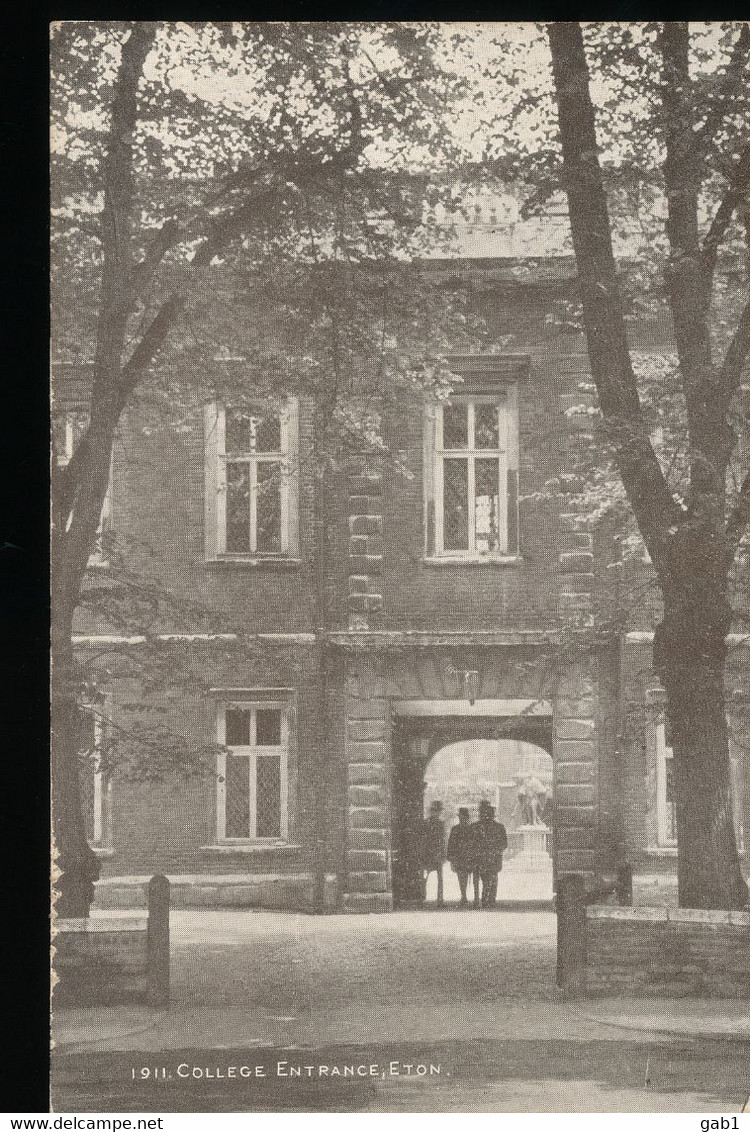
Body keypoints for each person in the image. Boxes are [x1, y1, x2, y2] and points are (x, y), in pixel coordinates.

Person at [471, 800, 508, 908]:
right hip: (481, 857)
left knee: (492, 878)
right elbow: (471, 842)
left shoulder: (499, 827)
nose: (486, 816)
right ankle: (483, 899)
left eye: (489, 814)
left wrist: (495, 851)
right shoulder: (476, 826)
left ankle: (489, 899)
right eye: (484, 813)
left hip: (493, 857)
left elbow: (504, 843)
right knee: (487, 879)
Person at [446, 806, 477, 907]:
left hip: (470, 857)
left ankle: (475, 897)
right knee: (461, 876)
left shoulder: (471, 829)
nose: (461, 819)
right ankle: (463, 895)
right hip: (459, 857)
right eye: (460, 817)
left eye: (463, 817)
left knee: (471, 876)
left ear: (466, 818)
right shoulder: (455, 829)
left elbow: (475, 843)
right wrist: (451, 859)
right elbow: (451, 844)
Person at [421, 800, 446, 907]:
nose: (437, 813)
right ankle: (423, 897)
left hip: (434, 854)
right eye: (435, 811)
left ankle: (439, 898)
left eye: (438, 811)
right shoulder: (432, 824)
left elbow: (442, 840)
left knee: (436, 877)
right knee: (426, 877)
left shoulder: (438, 823)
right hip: (432, 854)